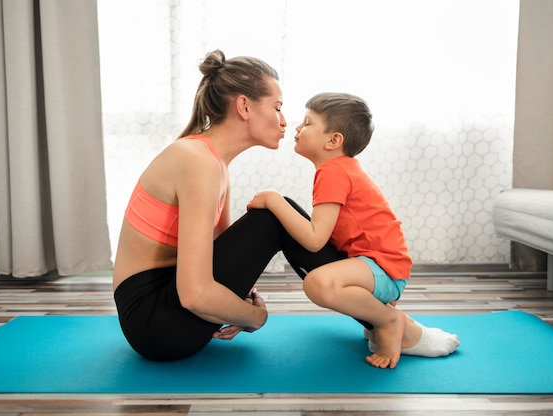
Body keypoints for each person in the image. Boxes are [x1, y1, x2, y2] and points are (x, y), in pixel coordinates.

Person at [113, 50, 368, 361]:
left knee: (274, 213)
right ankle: (383, 313)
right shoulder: (197, 161)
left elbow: (219, 253)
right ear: (244, 106)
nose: (285, 121)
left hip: (169, 306)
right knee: (273, 215)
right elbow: (195, 294)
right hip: (154, 324)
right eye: (277, 108)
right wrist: (254, 317)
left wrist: (239, 297)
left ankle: (377, 311)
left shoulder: (214, 162)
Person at [247, 92, 460, 369]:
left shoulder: (334, 172)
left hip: (383, 270)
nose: (297, 128)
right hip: (375, 266)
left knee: (318, 283)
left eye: (308, 123)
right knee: (318, 272)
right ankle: (381, 321)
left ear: (333, 140)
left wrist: (273, 199)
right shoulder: (339, 169)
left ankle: (389, 320)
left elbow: (314, 240)